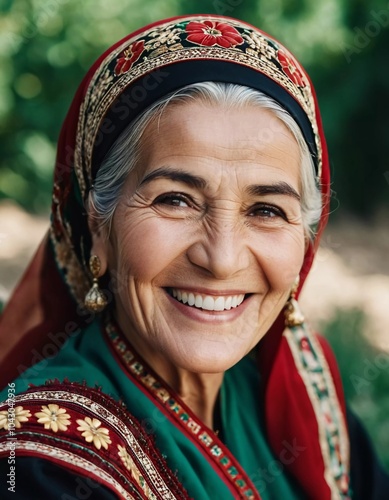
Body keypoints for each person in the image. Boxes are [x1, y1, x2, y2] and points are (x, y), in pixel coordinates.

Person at [0, 15, 387, 499]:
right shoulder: (40, 467)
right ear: (99, 227)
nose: (221, 259)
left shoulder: (302, 391)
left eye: (266, 210)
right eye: (175, 200)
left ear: (305, 241)